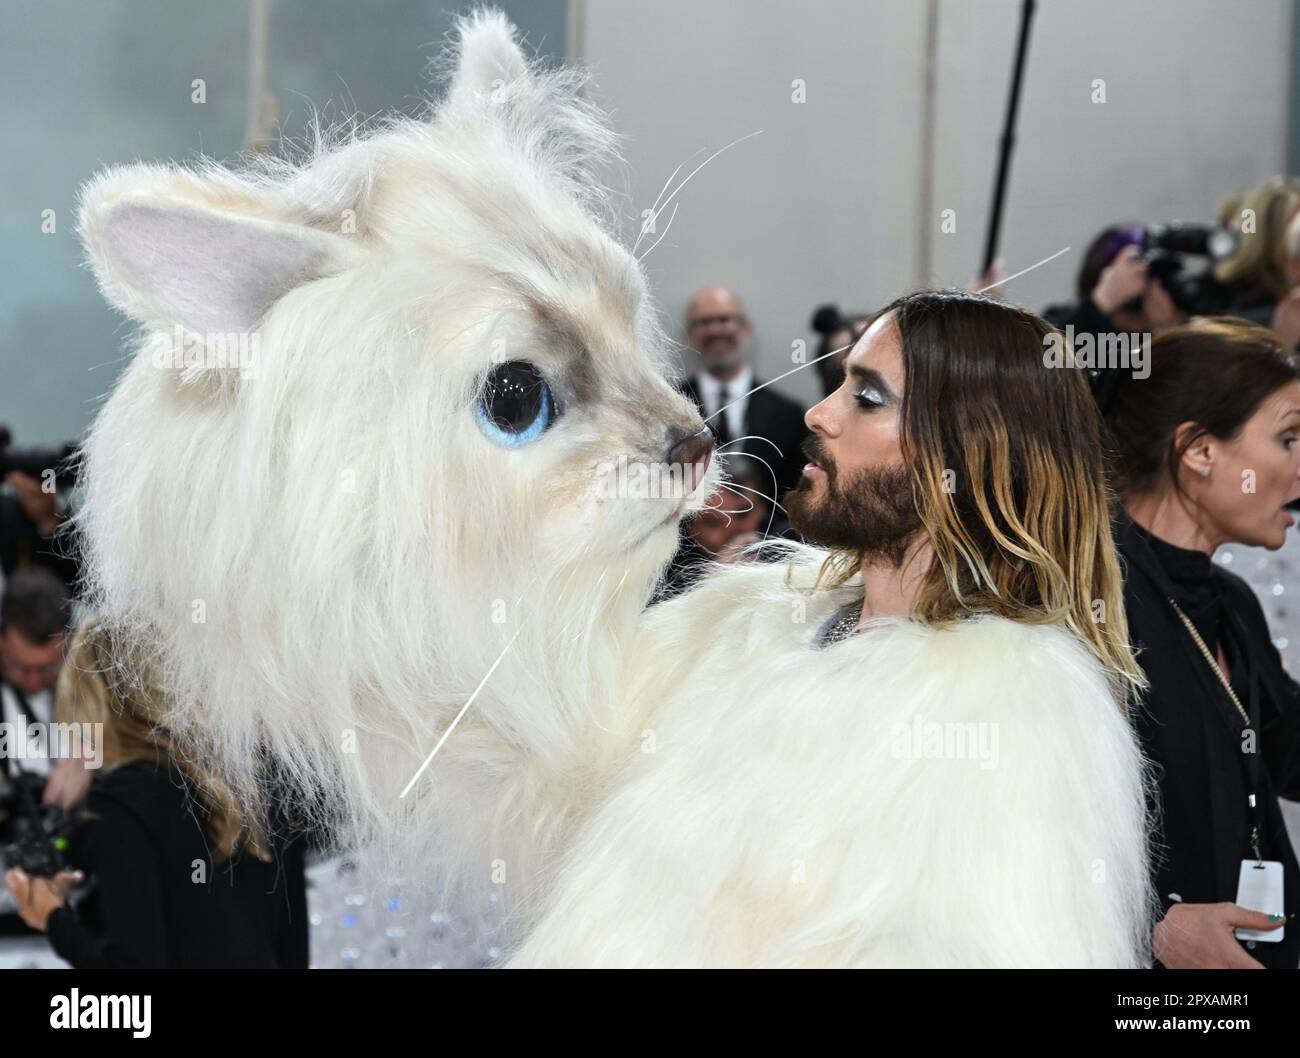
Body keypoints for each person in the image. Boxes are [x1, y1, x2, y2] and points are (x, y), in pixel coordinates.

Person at [1105, 316, 1300, 968]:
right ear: (1199, 451)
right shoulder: (1093, 600)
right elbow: (1020, 818)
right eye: (1288, 438)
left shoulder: (1228, 601)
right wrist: (1153, 922)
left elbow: (1289, 747)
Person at [4, 619, 309, 968]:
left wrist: (53, 918)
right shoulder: (256, 781)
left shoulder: (124, 802)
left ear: (88, 701)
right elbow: (292, 945)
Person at [677, 286, 808, 505]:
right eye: (704, 322)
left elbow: (797, 495)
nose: (715, 330)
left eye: (725, 319)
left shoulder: (789, 415)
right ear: (688, 336)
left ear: (747, 328)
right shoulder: (665, 410)